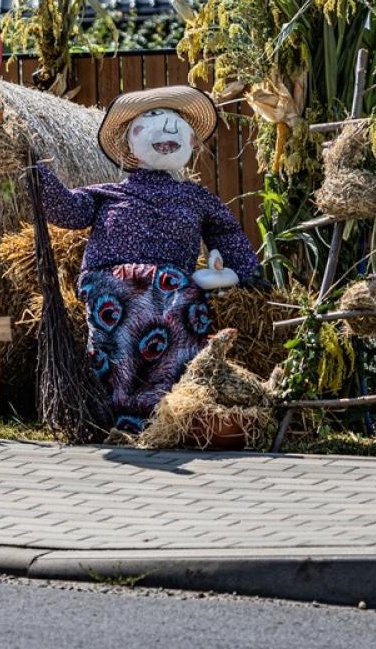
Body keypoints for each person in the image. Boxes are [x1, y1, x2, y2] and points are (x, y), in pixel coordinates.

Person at [31, 86, 263, 433]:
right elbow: (66, 210)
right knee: (142, 295)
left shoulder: (197, 198)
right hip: (111, 280)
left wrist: (246, 272)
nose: (166, 130)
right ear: (130, 143)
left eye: (176, 124)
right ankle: (113, 412)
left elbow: (226, 234)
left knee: (184, 296)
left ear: (191, 143)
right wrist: (34, 171)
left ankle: (165, 415)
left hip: (173, 287)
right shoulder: (109, 193)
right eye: (152, 122)